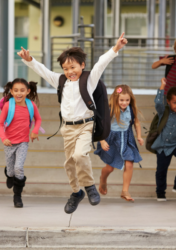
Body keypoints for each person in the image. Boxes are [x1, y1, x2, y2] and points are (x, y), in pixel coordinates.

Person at [18, 33, 128, 214]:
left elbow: (101, 63)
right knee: (69, 163)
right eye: (65, 68)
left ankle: (90, 186)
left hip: (85, 126)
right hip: (67, 128)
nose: (70, 71)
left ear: (82, 65)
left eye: (73, 67)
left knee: (79, 156)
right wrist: (30, 60)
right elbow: (43, 71)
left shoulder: (89, 80)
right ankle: (76, 192)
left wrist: (115, 48)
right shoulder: (60, 81)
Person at [94, 85, 143, 202]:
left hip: (126, 139)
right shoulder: (110, 109)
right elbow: (100, 125)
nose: (124, 103)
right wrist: (102, 140)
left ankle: (125, 191)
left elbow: (136, 122)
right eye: (121, 100)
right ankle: (103, 179)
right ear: (116, 99)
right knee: (110, 168)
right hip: (111, 139)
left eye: (127, 100)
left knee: (129, 163)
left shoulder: (131, 109)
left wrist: (139, 136)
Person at [0, 79, 42, 208]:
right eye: (16, 90)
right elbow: (1, 124)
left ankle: (17, 196)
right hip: (9, 143)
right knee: (12, 171)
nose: (19, 93)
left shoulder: (31, 105)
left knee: (19, 168)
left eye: (22, 90)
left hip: (23, 142)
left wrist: (35, 131)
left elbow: (38, 119)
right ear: (11, 91)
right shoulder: (8, 105)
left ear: (28, 91)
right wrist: (3, 138)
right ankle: (9, 173)